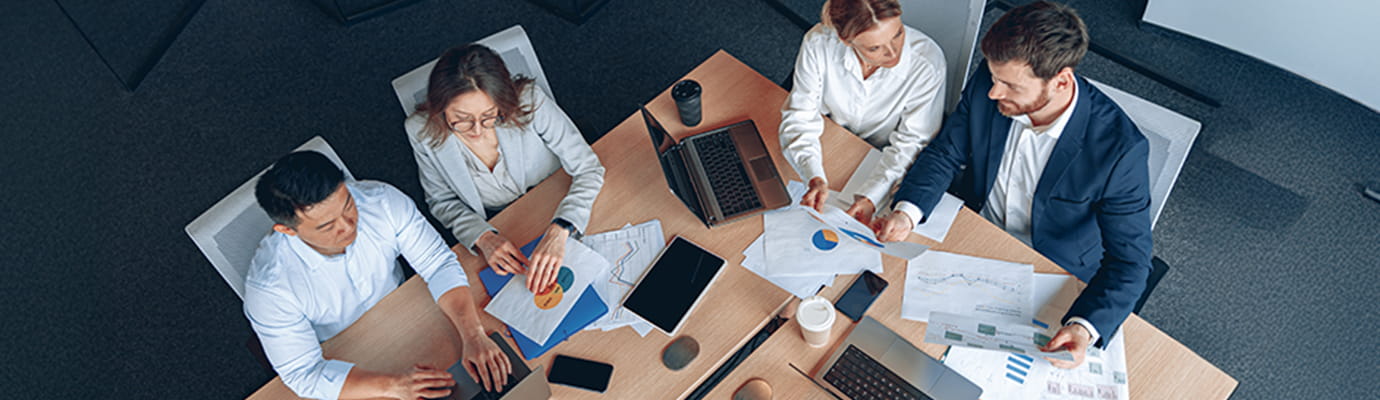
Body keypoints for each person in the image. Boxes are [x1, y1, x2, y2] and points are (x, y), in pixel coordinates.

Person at [873, 1, 1153, 369]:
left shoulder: (1120, 151)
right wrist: (907, 213)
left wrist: (1085, 328)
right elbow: (945, 152)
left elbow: (1131, 262)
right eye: (993, 78)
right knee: (897, 337)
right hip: (974, 236)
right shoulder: (992, 82)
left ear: (1062, 81)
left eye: (1009, 85)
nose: (993, 93)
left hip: (1051, 268)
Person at [244, 151, 510, 400]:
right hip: (346, 357)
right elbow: (303, 373)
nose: (348, 226)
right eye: (327, 226)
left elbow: (438, 263)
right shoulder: (270, 290)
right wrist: (394, 386)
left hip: (408, 311)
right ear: (287, 230)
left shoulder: (381, 200)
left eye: (347, 205)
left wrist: (473, 335)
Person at [405, 44, 604, 293]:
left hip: (561, 199)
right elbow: (441, 201)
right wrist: (483, 237)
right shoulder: (420, 130)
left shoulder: (528, 100)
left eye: (489, 116)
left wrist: (561, 228)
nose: (478, 131)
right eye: (462, 119)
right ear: (440, 107)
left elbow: (589, 168)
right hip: (503, 224)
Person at [780, 0, 946, 224]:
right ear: (845, 41)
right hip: (834, 141)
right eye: (874, 48)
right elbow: (800, 116)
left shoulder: (927, 64)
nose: (893, 52)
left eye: (898, 34)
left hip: (885, 157)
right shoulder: (818, 43)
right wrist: (813, 175)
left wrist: (871, 197)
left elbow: (912, 142)